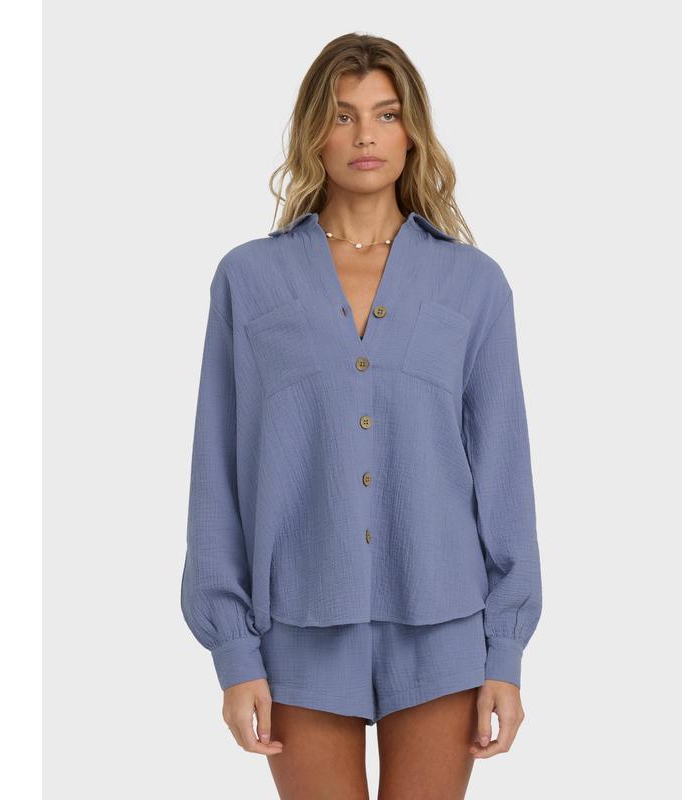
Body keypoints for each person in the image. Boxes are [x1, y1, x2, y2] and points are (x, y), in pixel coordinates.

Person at [180, 32, 542, 799]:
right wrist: (234, 654)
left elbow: (505, 476)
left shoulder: (474, 285)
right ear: (315, 132)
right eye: (343, 116)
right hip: (298, 628)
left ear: (413, 133)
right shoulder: (249, 279)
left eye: (386, 114)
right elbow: (217, 473)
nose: (365, 135)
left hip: (444, 626)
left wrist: (505, 653)